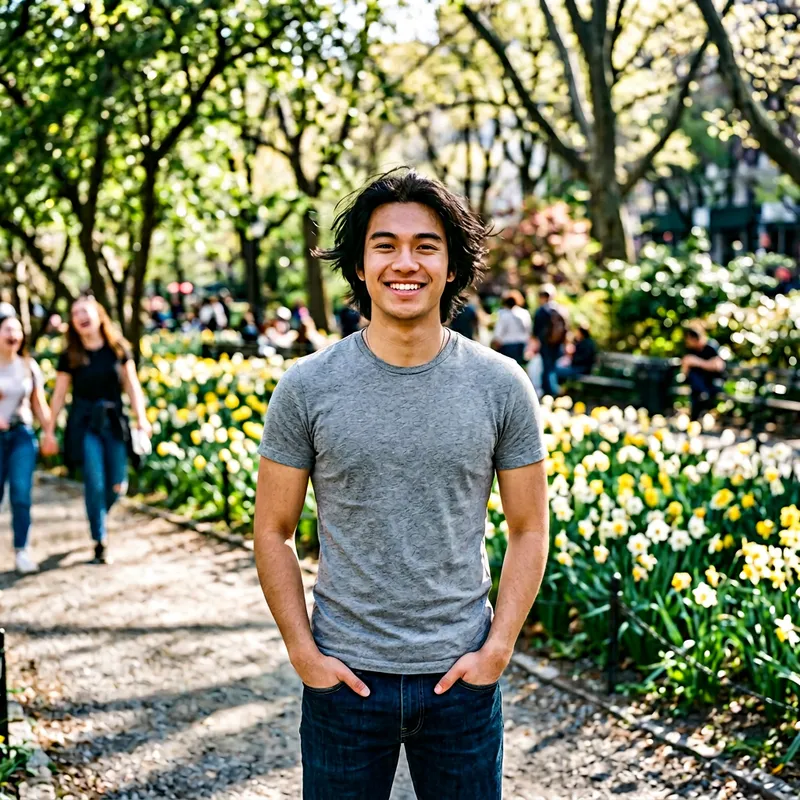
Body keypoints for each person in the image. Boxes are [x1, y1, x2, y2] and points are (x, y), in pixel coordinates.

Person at [254, 168, 549, 800]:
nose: (404, 262)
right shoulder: (306, 387)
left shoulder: (502, 385)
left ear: (451, 264)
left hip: (462, 681)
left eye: (426, 245)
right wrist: (303, 653)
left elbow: (529, 529)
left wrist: (497, 651)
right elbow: (273, 530)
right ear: (360, 266)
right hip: (345, 681)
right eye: (384, 245)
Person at [44, 295, 151, 564]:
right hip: (85, 424)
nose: (80, 315)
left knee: (118, 485)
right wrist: (49, 429)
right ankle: (99, 538)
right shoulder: (70, 355)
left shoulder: (117, 348)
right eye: (75, 312)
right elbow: (58, 395)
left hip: (114, 423)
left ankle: (98, 514)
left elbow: (132, 386)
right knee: (95, 480)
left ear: (98, 314)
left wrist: (142, 418)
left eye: (85, 310)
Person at [0, 313, 53, 574]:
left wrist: (49, 432)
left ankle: (22, 550)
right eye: (7, 330)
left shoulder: (28, 366)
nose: (13, 335)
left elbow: (38, 403)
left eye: (17, 330)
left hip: (22, 434)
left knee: (21, 493)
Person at [682, 323, 725, 420]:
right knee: (694, 379)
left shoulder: (711, 346)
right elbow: (685, 371)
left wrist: (697, 362)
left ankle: (696, 418)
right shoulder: (691, 350)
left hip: (713, 383)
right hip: (698, 386)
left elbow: (718, 366)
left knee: (699, 392)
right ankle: (695, 420)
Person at [532, 284, 567, 397]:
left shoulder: (542, 310)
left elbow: (536, 330)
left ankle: (550, 393)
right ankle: (553, 390)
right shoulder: (560, 309)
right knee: (552, 367)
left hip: (546, 344)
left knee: (547, 368)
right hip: (558, 344)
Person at [491, 290, 532, 364]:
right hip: (521, 345)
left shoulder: (503, 314)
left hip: (507, 345)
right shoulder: (524, 313)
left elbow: (498, 333)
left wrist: (494, 343)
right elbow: (528, 330)